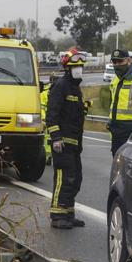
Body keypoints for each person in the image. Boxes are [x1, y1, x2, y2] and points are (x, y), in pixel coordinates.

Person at [46, 47, 88, 230]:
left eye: (81, 66)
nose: (79, 70)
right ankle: (57, 215)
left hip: (73, 144)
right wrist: (56, 138)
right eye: (75, 67)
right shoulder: (61, 86)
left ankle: (68, 214)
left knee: (75, 178)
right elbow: (52, 114)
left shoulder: (75, 89)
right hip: (61, 143)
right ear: (67, 69)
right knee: (64, 178)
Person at [40, 73, 59, 165]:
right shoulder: (48, 91)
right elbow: (42, 106)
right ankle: (49, 156)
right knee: (50, 137)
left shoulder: (46, 90)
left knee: (49, 137)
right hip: (50, 118)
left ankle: (49, 155)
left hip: (49, 117)